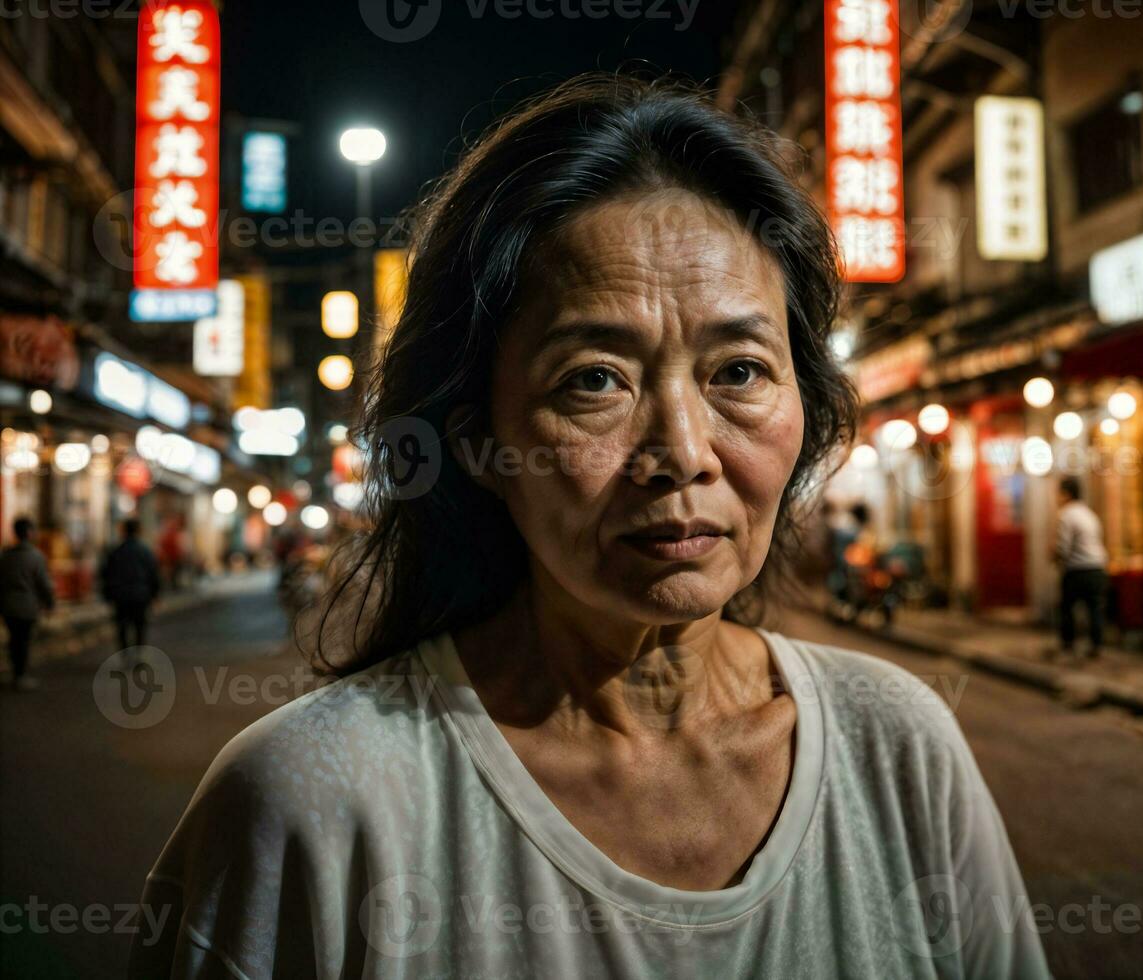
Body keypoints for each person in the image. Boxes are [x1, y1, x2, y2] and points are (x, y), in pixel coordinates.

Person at [131, 74, 1050, 979]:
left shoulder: (897, 747)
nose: (683, 451)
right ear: (480, 439)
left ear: (804, 408)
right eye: (594, 379)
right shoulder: (311, 800)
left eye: (738, 371)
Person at [1053, 476, 1109, 658]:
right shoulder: (1088, 513)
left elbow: (1064, 547)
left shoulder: (1066, 514)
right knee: (1094, 609)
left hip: (1078, 570)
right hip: (1097, 567)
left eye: (1059, 492)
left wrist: (1054, 556)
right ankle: (1096, 646)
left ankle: (1068, 645)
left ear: (1066, 494)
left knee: (1067, 607)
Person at [0, 517, 54, 691]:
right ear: (29, 533)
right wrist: (49, 602)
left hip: (8, 606)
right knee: (23, 640)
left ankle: (16, 672)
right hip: (28, 605)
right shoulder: (36, 556)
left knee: (14, 639)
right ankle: (20, 675)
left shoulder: (6, 555)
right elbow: (43, 583)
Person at [100, 519, 161, 653]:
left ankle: (125, 653)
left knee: (122, 627)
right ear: (139, 531)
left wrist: (107, 594)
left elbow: (106, 574)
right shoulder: (145, 551)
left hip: (121, 595)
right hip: (140, 595)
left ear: (123, 531)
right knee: (139, 626)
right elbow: (153, 574)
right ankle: (138, 653)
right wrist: (155, 595)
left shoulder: (116, 551)